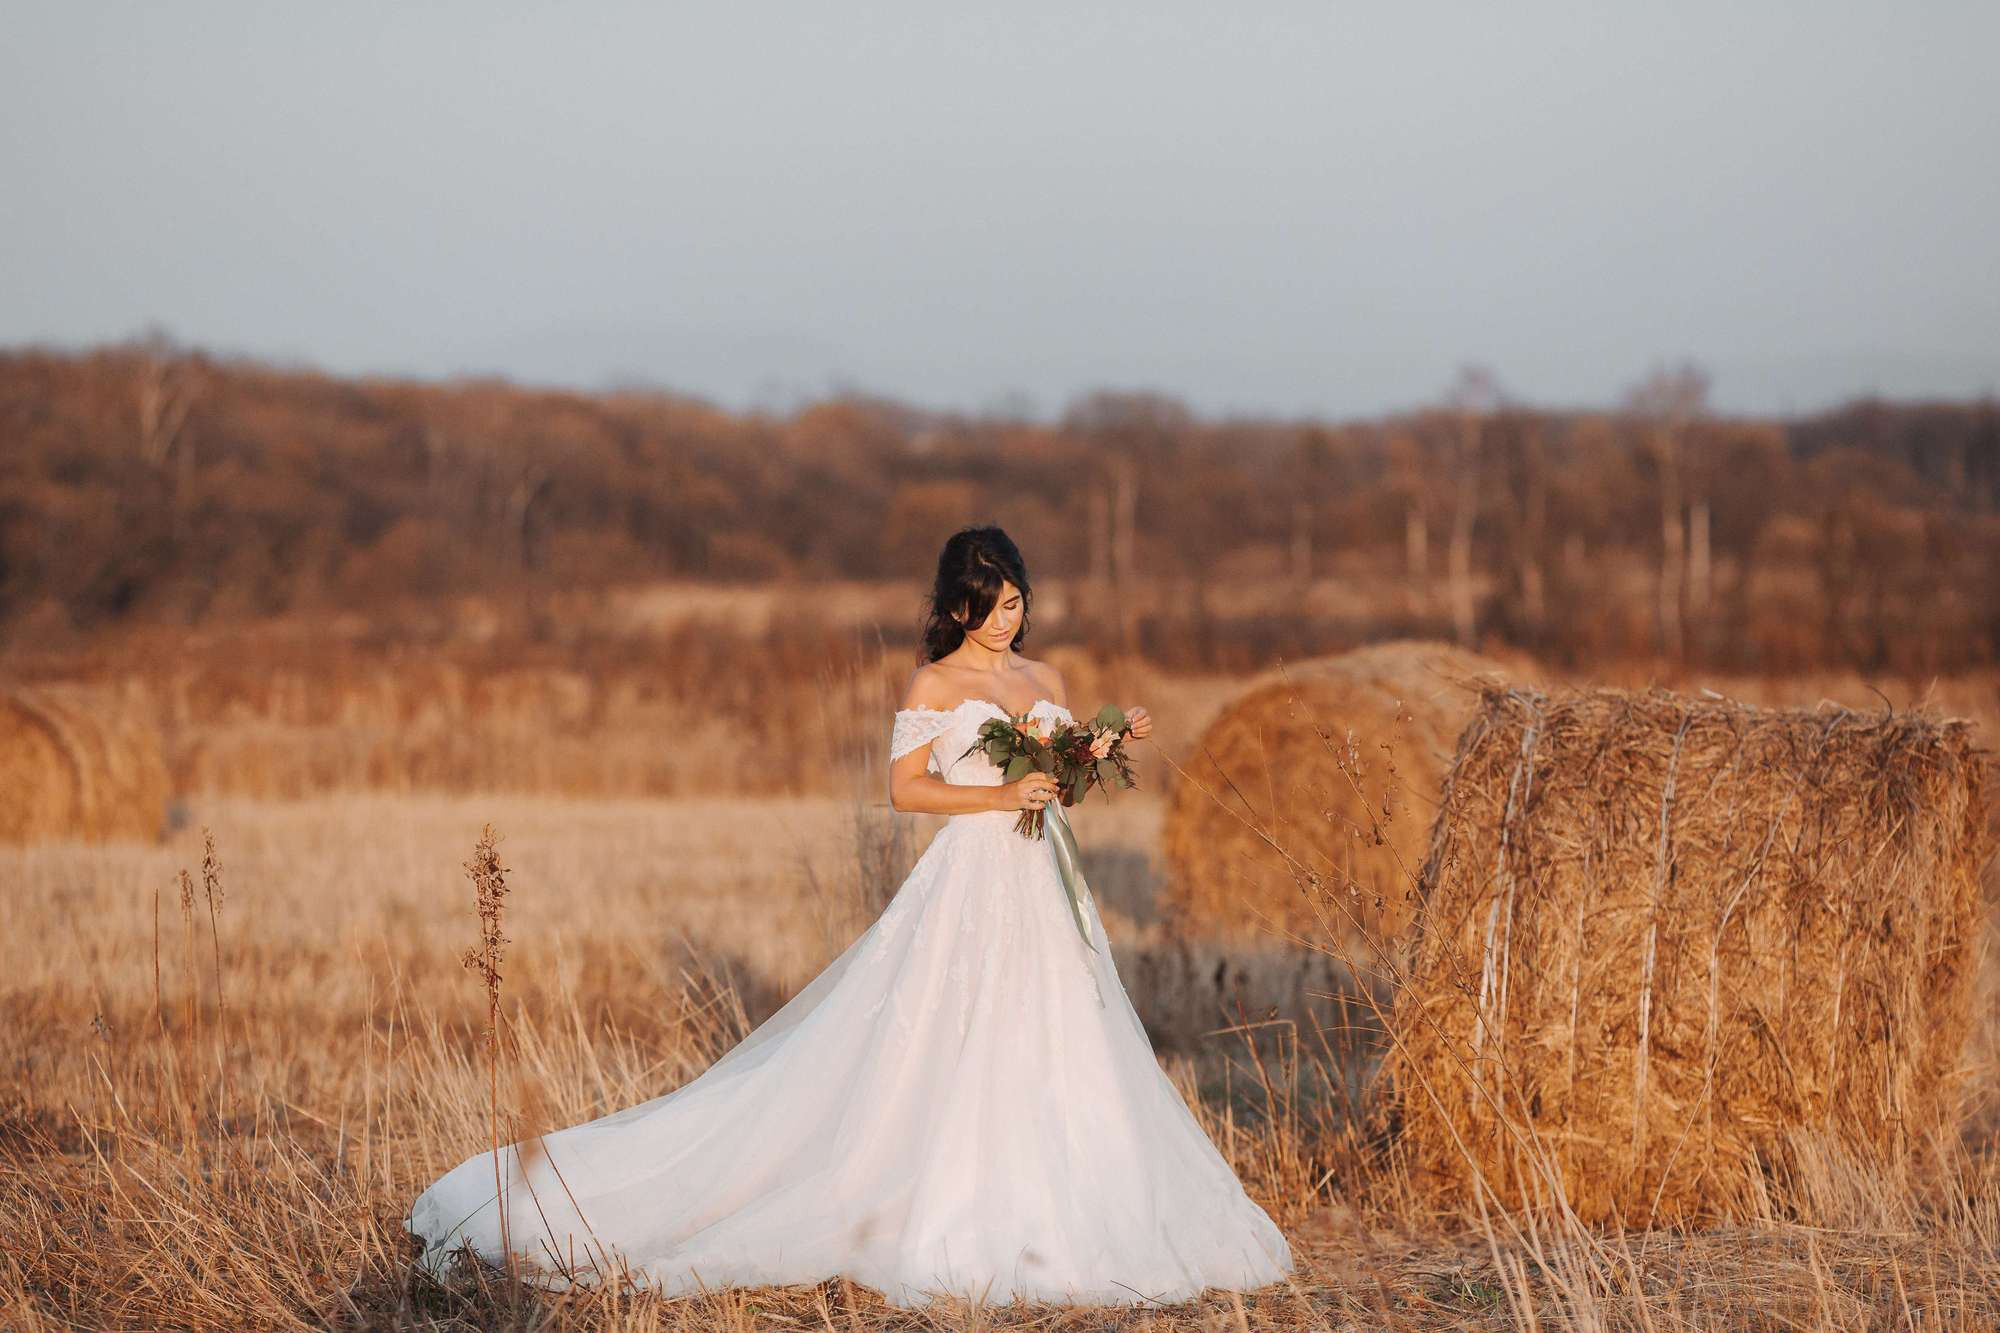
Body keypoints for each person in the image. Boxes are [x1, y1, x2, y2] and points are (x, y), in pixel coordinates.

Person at [406, 524, 1294, 1308]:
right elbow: (906, 791)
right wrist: (999, 798)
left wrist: (1097, 746)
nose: (1003, 620)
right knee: (951, 1031)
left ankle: (1075, 1200)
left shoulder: (1047, 675)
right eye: (985, 606)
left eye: (1014, 601)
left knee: (1065, 1028)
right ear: (953, 608)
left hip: (1045, 875)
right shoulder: (935, 685)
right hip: (974, 875)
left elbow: (1058, 789)